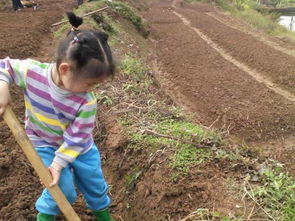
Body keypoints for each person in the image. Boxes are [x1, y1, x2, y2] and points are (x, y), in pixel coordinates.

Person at [0, 12, 114, 221]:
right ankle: (44, 217)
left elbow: (77, 138)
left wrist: (59, 163)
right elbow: (4, 65)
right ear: (64, 69)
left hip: (79, 147)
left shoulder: (86, 102)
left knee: (95, 185)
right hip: (43, 143)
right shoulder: (32, 72)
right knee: (62, 191)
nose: (91, 90)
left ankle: (103, 215)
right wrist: (2, 84)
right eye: (90, 84)